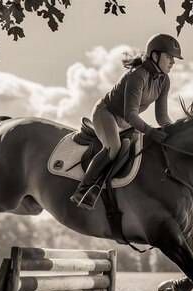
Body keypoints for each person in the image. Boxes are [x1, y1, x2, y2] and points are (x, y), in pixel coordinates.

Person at [70, 33, 182, 210]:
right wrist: (152, 131)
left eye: (173, 59)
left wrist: (175, 130)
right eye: (169, 57)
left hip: (127, 123)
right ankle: (83, 190)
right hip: (107, 113)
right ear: (155, 55)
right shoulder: (137, 75)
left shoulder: (164, 80)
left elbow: (162, 116)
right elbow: (130, 114)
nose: (173, 62)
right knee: (113, 148)